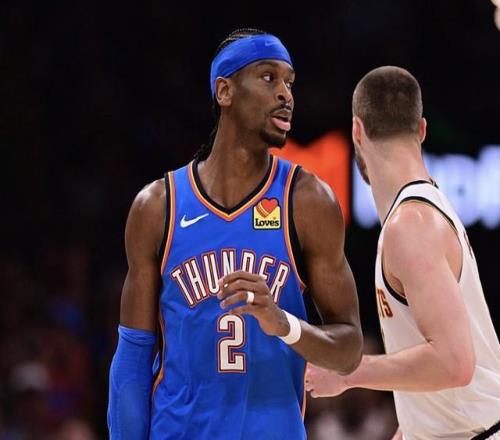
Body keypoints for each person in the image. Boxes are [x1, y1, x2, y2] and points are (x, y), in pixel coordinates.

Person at [107, 28, 363, 439]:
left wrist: (284, 324)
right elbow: (134, 358)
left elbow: (349, 349)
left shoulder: (308, 201)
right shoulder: (158, 207)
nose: (285, 94)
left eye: (290, 83)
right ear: (224, 91)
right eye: (268, 77)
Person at [305, 66, 500, 440]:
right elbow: (440, 380)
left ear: (357, 131)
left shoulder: (411, 226)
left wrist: (348, 373)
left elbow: (454, 363)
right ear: (422, 129)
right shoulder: (422, 213)